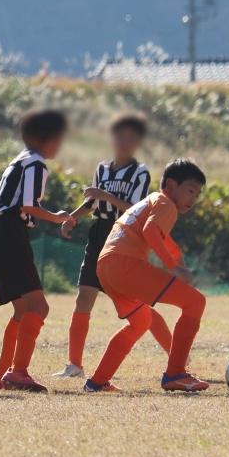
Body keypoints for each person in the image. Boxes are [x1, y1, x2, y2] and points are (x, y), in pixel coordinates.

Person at [53, 113, 172, 379]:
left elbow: (137, 209)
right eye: (120, 135)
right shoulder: (103, 168)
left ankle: (176, 354)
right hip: (99, 233)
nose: (124, 141)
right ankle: (74, 365)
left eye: (131, 137)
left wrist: (105, 195)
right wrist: (72, 218)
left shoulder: (140, 172)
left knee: (140, 303)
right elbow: (92, 203)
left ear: (138, 142)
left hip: (123, 236)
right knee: (84, 296)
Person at [84, 158, 209, 393]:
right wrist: (174, 268)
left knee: (141, 321)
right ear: (170, 184)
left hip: (105, 265)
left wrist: (180, 263)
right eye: (191, 190)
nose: (193, 199)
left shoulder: (150, 200)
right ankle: (175, 374)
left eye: (198, 194)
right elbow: (150, 231)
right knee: (195, 302)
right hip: (126, 264)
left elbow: (165, 240)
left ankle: (97, 382)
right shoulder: (167, 204)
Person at [0, 108, 74, 392]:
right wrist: (56, 217)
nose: (60, 144)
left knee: (22, 311)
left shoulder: (18, 160)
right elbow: (27, 205)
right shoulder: (36, 162)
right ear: (43, 138)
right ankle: (18, 372)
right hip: (12, 233)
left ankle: (2, 375)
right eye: (58, 138)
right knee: (39, 307)